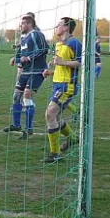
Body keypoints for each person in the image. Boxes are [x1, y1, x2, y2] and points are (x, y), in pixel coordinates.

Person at [42, 17, 82, 163]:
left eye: (59, 24)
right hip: (57, 84)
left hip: (67, 86)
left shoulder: (74, 43)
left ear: (66, 28)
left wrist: (62, 62)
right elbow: (60, 64)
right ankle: (72, 138)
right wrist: (50, 70)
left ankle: (55, 153)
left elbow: (79, 62)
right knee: (55, 117)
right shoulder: (58, 44)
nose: (56, 27)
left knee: (50, 114)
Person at [3, 14, 49, 139]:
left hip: (37, 71)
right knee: (16, 96)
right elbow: (22, 55)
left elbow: (44, 49)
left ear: (29, 24)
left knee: (27, 96)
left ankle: (29, 129)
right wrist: (16, 58)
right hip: (25, 72)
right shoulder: (24, 38)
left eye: (22, 23)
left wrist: (28, 58)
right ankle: (16, 125)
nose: (20, 26)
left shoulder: (36, 34)